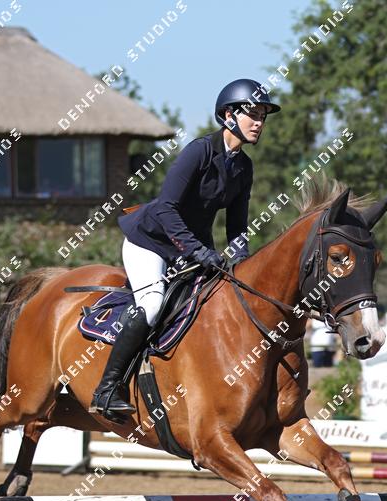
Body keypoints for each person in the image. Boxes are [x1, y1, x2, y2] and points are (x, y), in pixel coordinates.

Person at [89, 78, 280, 421]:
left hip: (190, 249)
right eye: (252, 113)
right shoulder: (199, 151)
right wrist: (197, 251)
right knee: (152, 305)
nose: (259, 122)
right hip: (150, 241)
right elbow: (166, 208)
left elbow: (237, 225)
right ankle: (107, 389)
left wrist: (242, 260)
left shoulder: (243, 167)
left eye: (262, 116)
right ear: (228, 115)